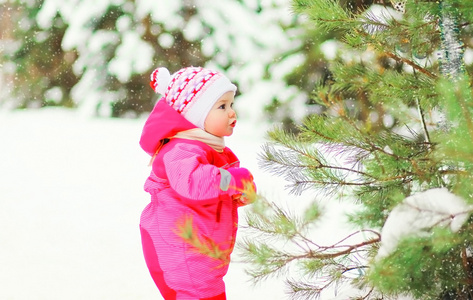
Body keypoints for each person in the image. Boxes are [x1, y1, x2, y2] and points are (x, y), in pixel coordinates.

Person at [139, 66, 256, 300]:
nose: (232, 113)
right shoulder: (181, 149)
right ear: (195, 115)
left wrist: (240, 192)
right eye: (222, 106)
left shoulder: (210, 148)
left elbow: (214, 188)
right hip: (182, 246)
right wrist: (232, 180)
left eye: (231, 104)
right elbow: (193, 181)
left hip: (200, 244)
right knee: (203, 294)